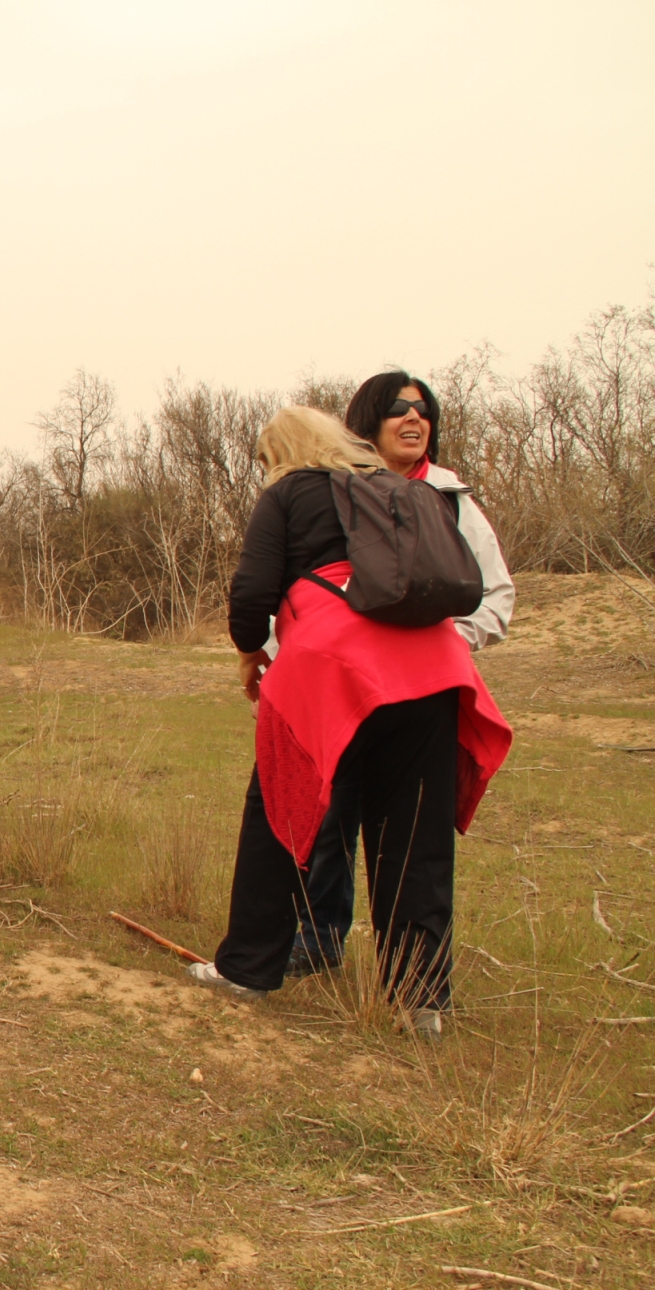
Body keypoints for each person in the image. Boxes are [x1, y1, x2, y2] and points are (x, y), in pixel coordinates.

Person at [191, 408, 511, 1041]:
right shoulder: (407, 490)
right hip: (434, 666)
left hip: (332, 667)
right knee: (415, 835)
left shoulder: (288, 492)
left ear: (280, 453)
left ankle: (249, 969)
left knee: (281, 809)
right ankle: (420, 1002)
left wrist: (251, 651)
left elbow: (251, 595)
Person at [286, 372, 517, 977]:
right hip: (340, 690)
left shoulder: (451, 499)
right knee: (325, 813)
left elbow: (496, 596)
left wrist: (441, 640)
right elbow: (300, 589)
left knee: (414, 838)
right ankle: (316, 942)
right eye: (398, 410)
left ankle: (415, 984)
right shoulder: (333, 493)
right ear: (368, 421)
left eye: (424, 410)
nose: (414, 420)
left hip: (421, 697)